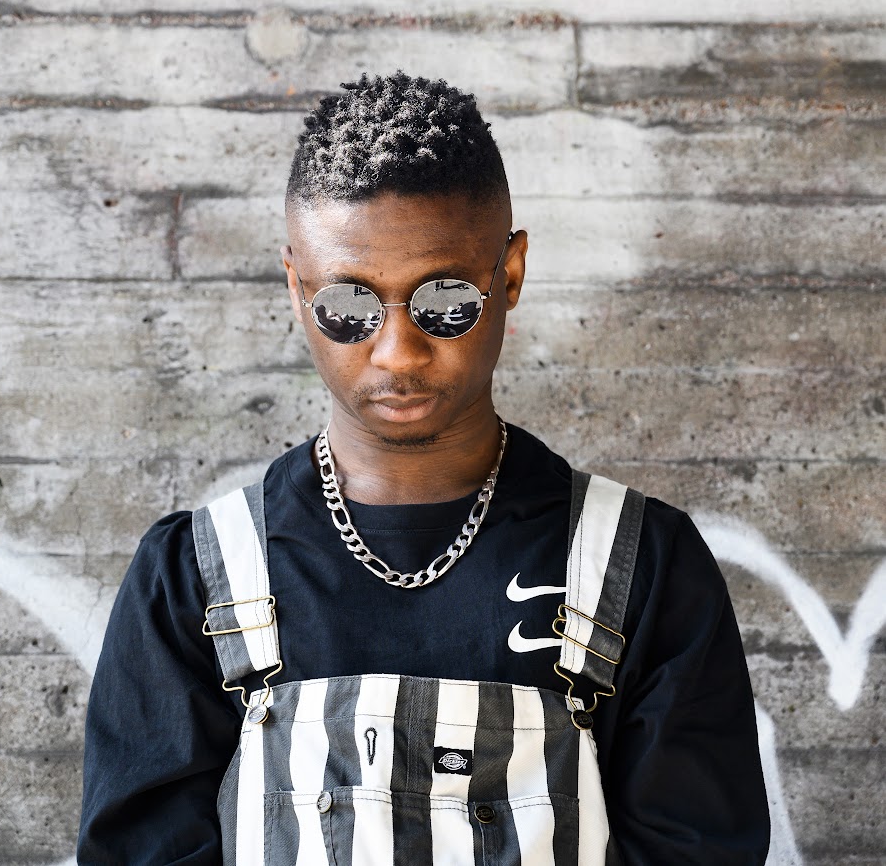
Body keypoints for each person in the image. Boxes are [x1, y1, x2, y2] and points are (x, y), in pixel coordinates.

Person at [78, 71, 770, 864]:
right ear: (297, 288)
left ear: (510, 274)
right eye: (349, 306)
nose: (398, 351)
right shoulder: (196, 578)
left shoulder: (640, 566)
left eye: (445, 302)